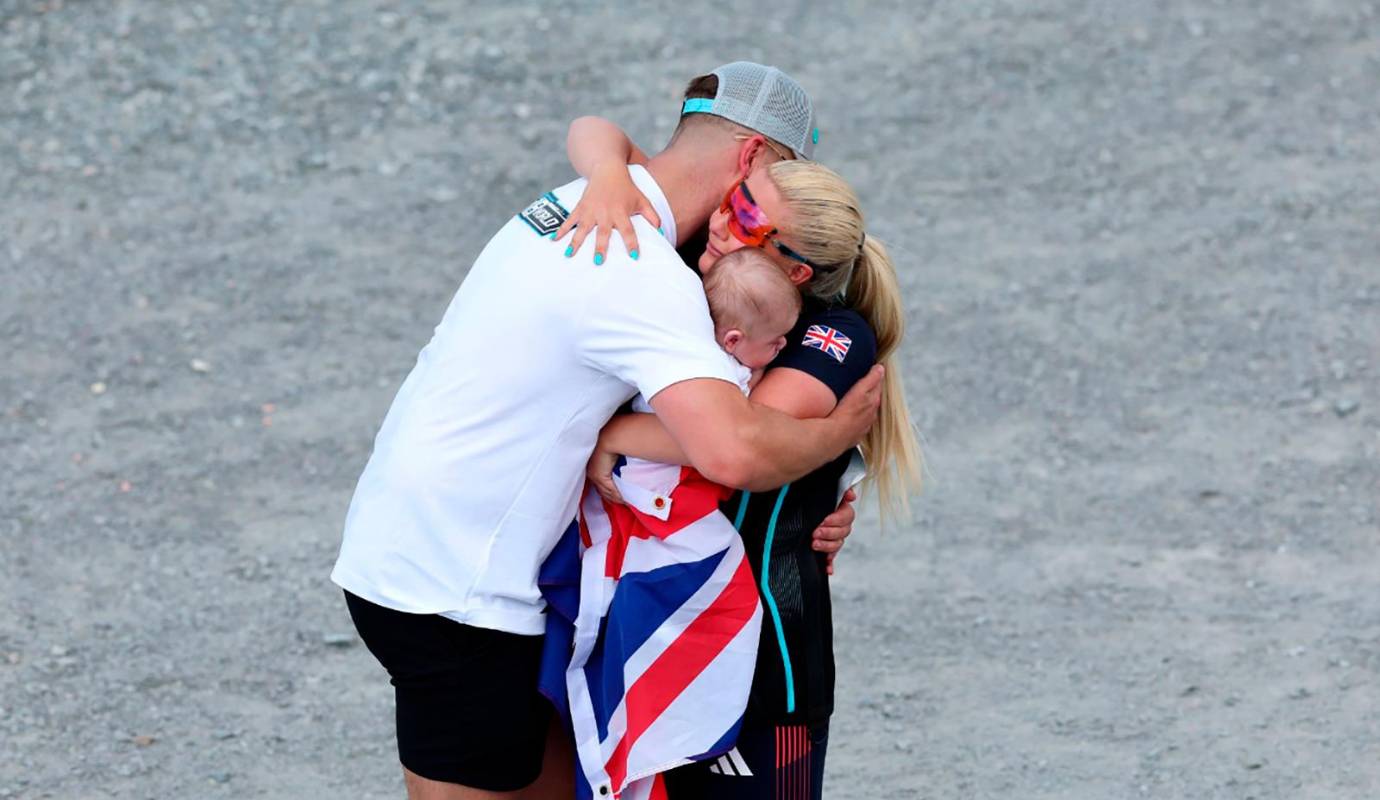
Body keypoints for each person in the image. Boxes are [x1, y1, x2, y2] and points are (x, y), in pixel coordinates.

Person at [329, 62, 881, 800]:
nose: (737, 231)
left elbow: (598, 133)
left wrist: (822, 500)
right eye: (752, 205)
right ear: (749, 159)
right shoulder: (646, 274)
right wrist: (838, 432)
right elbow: (735, 450)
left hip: (417, 549)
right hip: (460, 590)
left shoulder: (582, 200)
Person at [558, 102, 923, 800]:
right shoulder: (697, 275)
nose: (723, 221)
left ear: (795, 271)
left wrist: (600, 436)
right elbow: (592, 129)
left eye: (750, 223)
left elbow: (733, 442)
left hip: (767, 661)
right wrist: (607, 174)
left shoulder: (833, 339)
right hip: (646, 629)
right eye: (735, 199)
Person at [543, 249, 802, 800]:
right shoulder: (725, 379)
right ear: (732, 342)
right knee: (727, 594)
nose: (783, 349)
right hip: (659, 512)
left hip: (632, 502)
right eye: (776, 340)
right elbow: (730, 446)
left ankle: (650, 739)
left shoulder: (672, 357)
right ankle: (666, 732)